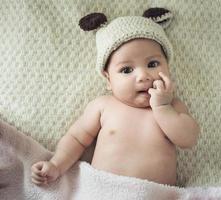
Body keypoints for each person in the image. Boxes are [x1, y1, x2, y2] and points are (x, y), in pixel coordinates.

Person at [31, 8, 199, 186]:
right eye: (126, 70)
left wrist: (162, 107)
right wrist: (57, 165)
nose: (143, 76)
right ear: (108, 79)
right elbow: (76, 139)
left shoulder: (172, 107)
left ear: (167, 67)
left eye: (152, 64)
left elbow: (188, 139)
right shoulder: (103, 106)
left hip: (155, 194)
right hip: (103, 190)